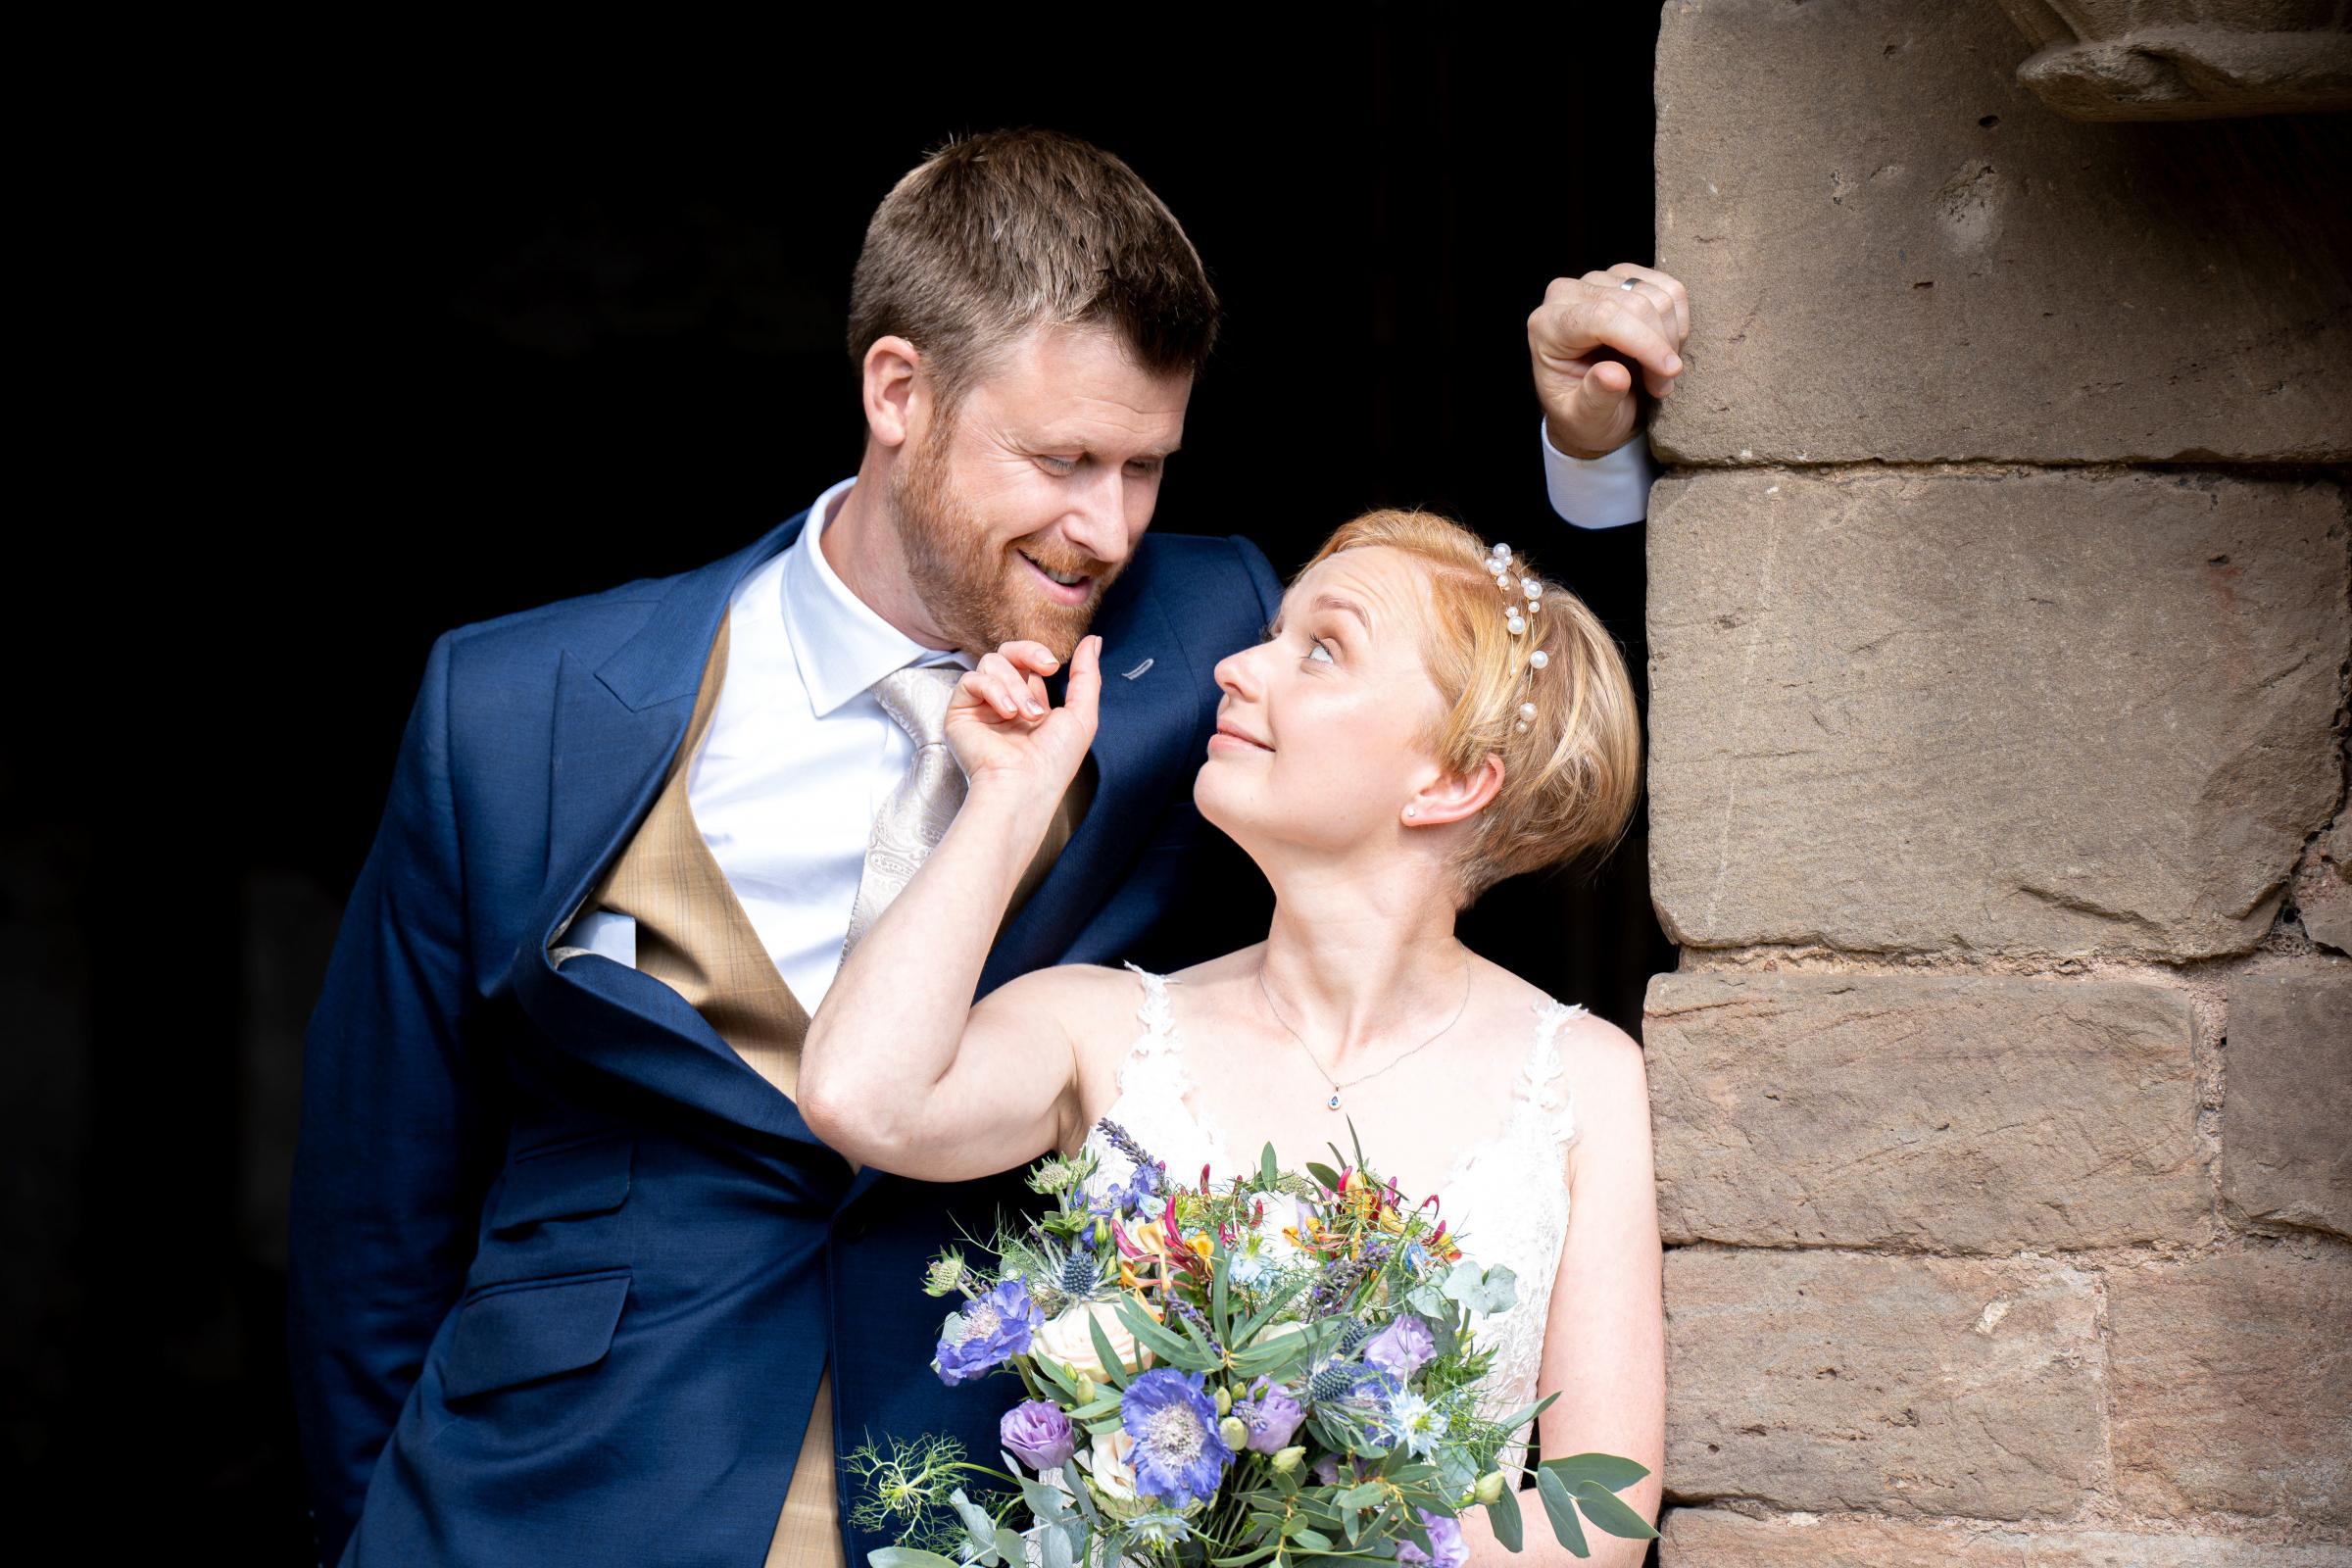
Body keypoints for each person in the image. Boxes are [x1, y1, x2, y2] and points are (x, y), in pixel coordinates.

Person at [287, 122, 1690, 1568]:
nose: (1111, 529)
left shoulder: (1208, 646)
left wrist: (1586, 456)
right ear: (899, 390)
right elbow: (372, 1217)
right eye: (1064, 457)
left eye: (1148, 466)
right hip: (552, 1501)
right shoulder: (520, 705)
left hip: (1005, 1495)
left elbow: (1480, 680)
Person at [798, 505, 1667, 1565]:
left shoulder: (1580, 1077)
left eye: (1322, 649)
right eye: (1273, 634)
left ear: (1448, 779)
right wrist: (1011, 795)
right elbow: (860, 1096)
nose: (1240, 668)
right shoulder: (1101, 1027)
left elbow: (1598, 1514)